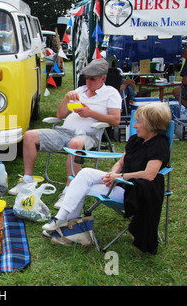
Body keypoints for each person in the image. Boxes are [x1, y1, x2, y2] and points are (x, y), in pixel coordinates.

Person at [42, 102, 172, 254]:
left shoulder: (159, 145)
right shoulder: (136, 140)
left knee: (82, 187)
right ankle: (63, 220)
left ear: (151, 125)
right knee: (84, 174)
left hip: (135, 191)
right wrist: (112, 175)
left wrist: (120, 177)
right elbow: (121, 162)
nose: (134, 126)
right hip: (120, 182)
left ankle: (66, 224)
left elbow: (149, 175)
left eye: (138, 122)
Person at [9, 58, 122, 210]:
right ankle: (27, 180)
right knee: (29, 135)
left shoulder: (111, 93)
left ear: (103, 78)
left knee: (75, 143)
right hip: (63, 131)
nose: (88, 81)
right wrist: (66, 98)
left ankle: (70, 190)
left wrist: (91, 113)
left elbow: (115, 120)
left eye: (92, 79)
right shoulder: (80, 91)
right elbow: (60, 115)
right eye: (87, 78)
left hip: (88, 135)